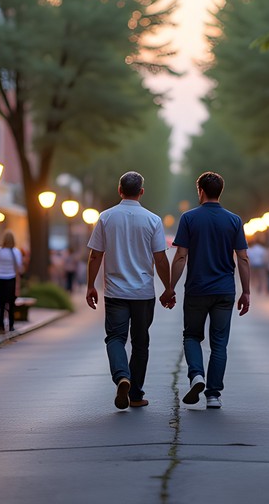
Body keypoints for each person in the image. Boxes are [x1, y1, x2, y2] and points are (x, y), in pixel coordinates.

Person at [86, 171, 173, 410]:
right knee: (140, 342)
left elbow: (95, 255)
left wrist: (90, 285)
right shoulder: (153, 220)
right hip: (143, 293)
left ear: (119, 190)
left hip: (115, 292)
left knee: (115, 337)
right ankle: (135, 394)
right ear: (141, 192)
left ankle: (121, 376)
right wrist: (168, 288)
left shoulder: (105, 217)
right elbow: (161, 259)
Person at [169, 171, 250, 410]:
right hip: (225, 290)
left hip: (197, 289)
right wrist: (246, 292)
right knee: (219, 343)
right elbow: (243, 259)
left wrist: (170, 288)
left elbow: (181, 255)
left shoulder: (189, 218)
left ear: (200, 191)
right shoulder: (234, 220)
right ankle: (213, 395)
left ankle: (197, 375)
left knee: (192, 336)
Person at [0, 230, 24, 334]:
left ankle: (0, 325)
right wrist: (18, 286)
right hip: (11, 278)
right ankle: (11, 324)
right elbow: (18, 270)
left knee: (1, 302)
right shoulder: (16, 252)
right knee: (11, 303)